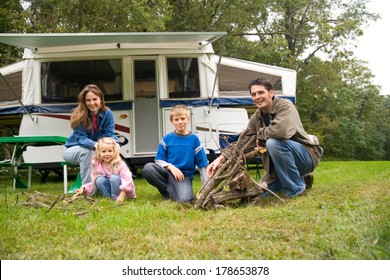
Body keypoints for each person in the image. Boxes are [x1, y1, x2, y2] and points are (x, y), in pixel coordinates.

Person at [207, 78, 323, 198]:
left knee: (273, 143)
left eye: (261, 92)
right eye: (254, 94)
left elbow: (280, 131)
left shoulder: (285, 106)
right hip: (278, 167)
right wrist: (220, 159)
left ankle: (297, 190)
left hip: (306, 157)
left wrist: (259, 135)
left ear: (271, 93)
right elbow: (242, 143)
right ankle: (303, 178)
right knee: (258, 193)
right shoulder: (256, 118)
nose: (257, 97)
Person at [142, 105, 209, 203]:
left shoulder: (194, 139)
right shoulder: (167, 139)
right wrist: (171, 167)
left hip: (183, 176)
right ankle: (167, 192)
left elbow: (203, 165)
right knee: (148, 168)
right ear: (172, 121)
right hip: (167, 173)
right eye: (176, 119)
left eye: (183, 118)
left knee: (185, 200)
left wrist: (206, 190)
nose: (180, 122)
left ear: (188, 119)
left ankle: (173, 193)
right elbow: (158, 160)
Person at [63, 84, 119, 185]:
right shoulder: (79, 114)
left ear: (100, 99)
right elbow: (81, 139)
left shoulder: (108, 113)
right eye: (88, 100)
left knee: (112, 149)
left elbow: (109, 134)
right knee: (87, 151)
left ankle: (110, 185)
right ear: (84, 101)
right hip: (73, 149)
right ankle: (88, 188)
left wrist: (115, 144)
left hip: (95, 149)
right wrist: (97, 145)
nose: (92, 103)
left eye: (95, 99)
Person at [75, 137, 136, 202]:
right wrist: (84, 189)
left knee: (114, 178)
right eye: (104, 151)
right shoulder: (97, 164)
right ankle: (109, 199)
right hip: (109, 189)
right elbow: (92, 181)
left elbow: (127, 179)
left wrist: (122, 195)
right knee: (99, 179)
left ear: (114, 151)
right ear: (99, 152)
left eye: (110, 151)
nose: (107, 154)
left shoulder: (119, 163)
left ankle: (117, 198)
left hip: (123, 192)